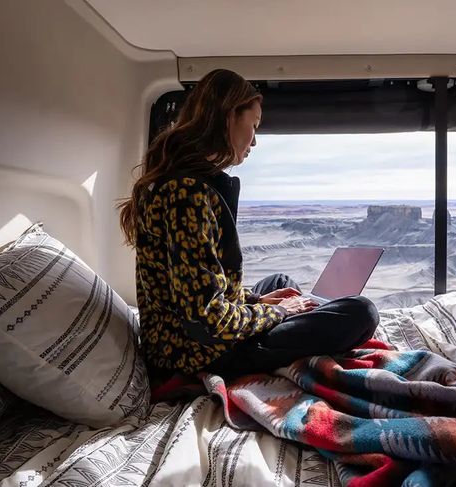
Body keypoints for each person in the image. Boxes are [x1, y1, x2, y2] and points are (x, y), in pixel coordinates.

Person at [118, 69, 379, 380]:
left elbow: (199, 292)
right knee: (362, 313)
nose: (254, 140)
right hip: (193, 353)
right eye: (253, 126)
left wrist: (260, 301)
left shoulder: (186, 183)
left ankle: (291, 311)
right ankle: (293, 319)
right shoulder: (186, 193)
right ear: (229, 117)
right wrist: (278, 312)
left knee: (280, 283)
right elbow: (208, 321)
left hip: (190, 337)